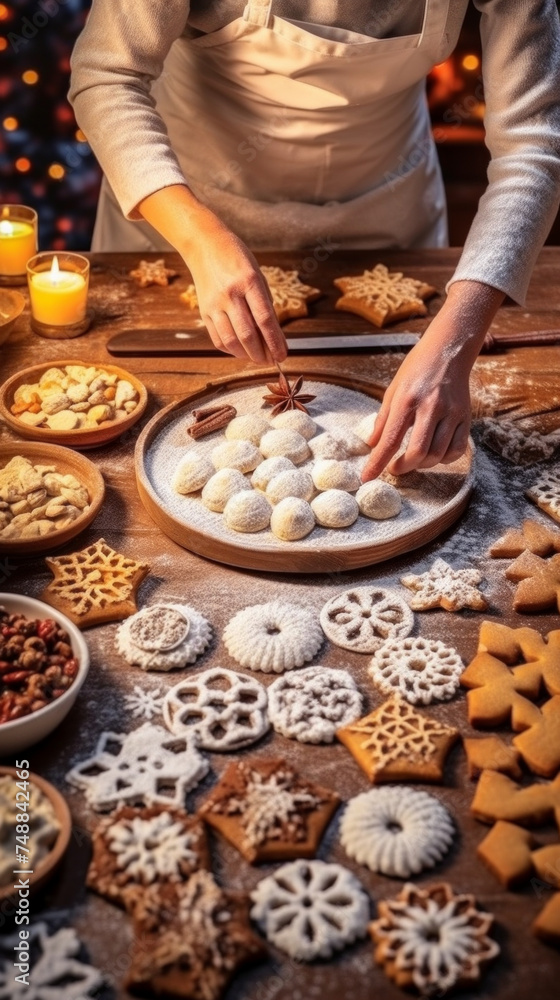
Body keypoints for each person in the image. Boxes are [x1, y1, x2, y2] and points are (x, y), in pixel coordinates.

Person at [69, 0, 560, 480]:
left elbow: (534, 142)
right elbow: (107, 75)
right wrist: (198, 236)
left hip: (385, 205)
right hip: (186, 198)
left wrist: (457, 340)